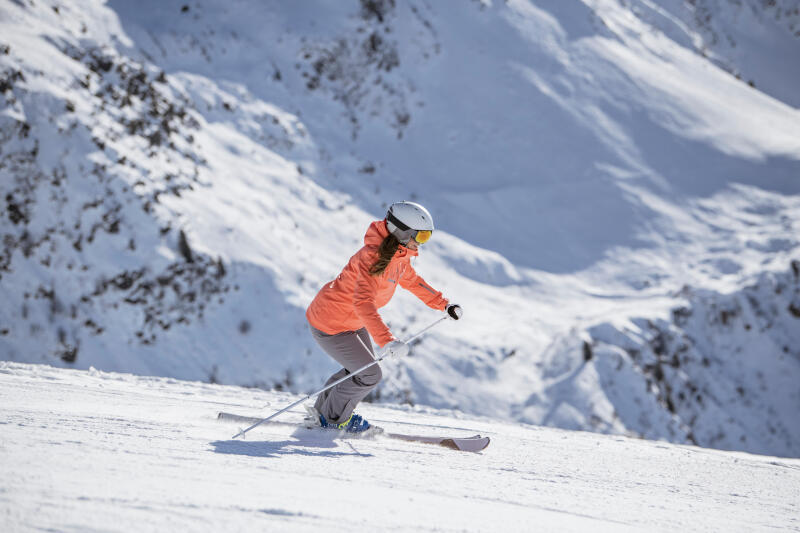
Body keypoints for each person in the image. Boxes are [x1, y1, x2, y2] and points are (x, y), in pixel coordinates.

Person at [305, 201, 462, 433]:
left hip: (350, 321)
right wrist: (387, 340)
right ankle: (333, 420)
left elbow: (412, 281)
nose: (421, 243)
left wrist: (443, 304)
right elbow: (362, 302)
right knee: (369, 374)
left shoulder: (398, 257)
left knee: (359, 371)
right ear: (403, 232)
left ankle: (323, 414)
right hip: (332, 323)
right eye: (421, 237)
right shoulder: (372, 258)